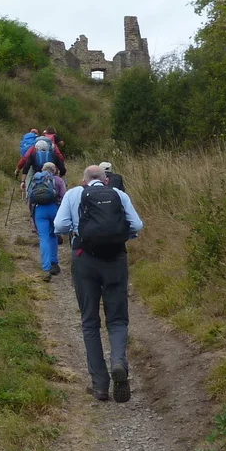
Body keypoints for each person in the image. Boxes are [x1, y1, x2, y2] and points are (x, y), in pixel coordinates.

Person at [54, 164, 144, 403]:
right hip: (115, 259)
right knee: (117, 319)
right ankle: (118, 363)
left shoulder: (74, 194)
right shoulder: (119, 195)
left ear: (84, 181)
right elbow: (136, 225)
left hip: (84, 260)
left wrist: (76, 231)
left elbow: (59, 225)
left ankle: (100, 385)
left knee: (90, 321)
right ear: (105, 180)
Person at [28, 161, 68, 281]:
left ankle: (46, 268)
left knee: (43, 238)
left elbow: (30, 199)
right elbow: (64, 197)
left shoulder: (35, 179)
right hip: (54, 209)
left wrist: (32, 215)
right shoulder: (58, 180)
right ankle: (54, 261)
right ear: (54, 170)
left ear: (42, 169)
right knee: (53, 236)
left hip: (40, 211)